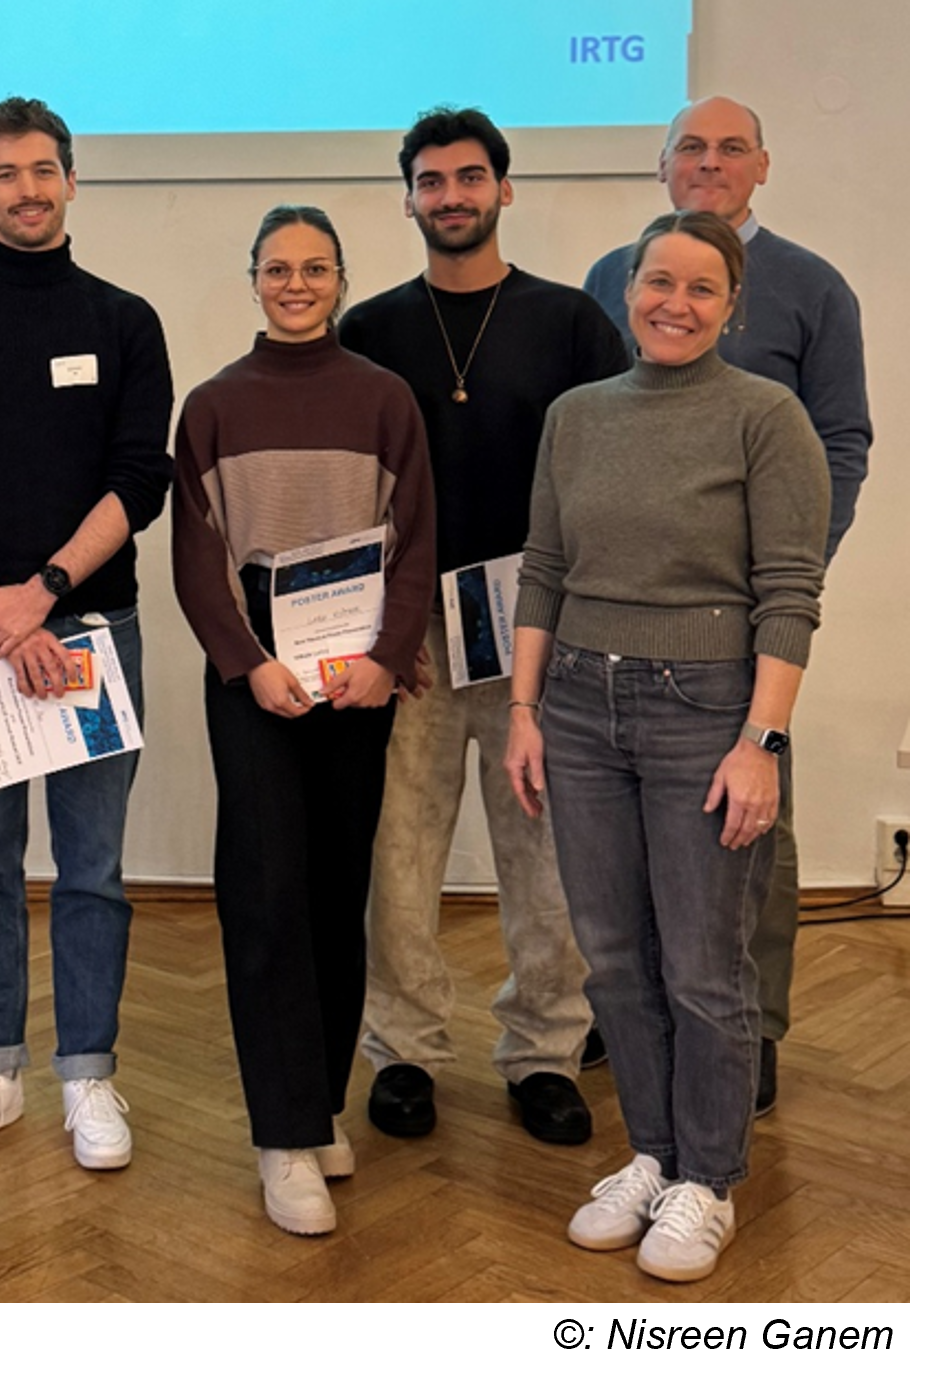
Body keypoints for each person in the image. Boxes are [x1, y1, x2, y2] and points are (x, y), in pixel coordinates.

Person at [506, 211, 827, 1283]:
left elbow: (789, 593)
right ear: (627, 290)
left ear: (731, 308)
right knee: (611, 958)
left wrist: (760, 742)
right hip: (576, 709)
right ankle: (650, 1154)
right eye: (657, 281)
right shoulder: (575, 416)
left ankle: (708, 1180)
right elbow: (543, 569)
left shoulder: (765, 417)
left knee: (701, 966)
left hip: (706, 714)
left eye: (700, 288)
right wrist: (522, 711)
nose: (673, 304)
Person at [0, 98, 173, 1172]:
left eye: (43, 169)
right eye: (5, 174)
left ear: (70, 179)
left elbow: (138, 480)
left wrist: (42, 593)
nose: (27, 190)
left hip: (90, 629)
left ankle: (87, 1075)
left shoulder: (124, 320)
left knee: (92, 865)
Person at [339, 108, 627, 1146]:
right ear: (408, 199)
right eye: (430, 180)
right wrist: (371, 636)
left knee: (545, 859)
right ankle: (404, 1050)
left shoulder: (570, 323)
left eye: (468, 177)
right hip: (406, 635)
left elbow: (605, 476)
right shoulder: (368, 329)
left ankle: (544, 1050)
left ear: (503, 188)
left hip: (533, 633)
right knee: (398, 855)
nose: (450, 196)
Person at [583, 97, 870, 1114]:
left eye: (730, 148)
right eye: (691, 148)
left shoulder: (812, 287)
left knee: (747, 821)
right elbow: (592, 432)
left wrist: (787, 573)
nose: (710, 163)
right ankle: (642, 1016)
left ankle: (749, 1029)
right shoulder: (608, 277)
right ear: (661, 165)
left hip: (745, 617)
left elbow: (842, 441)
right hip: (620, 623)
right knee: (628, 823)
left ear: (762, 166)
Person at [173, 205, 434, 1236]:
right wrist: (250, 666)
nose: (295, 284)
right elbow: (197, 562)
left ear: (339, 280)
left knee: (334, 890)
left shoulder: (384, 398)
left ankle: (319, 1103)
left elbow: (414, 539)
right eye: (276, 269)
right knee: (266, 894)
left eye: (314, 268)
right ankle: (279, 1137)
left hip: (354, 675)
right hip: (256, 677)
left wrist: (384, 659)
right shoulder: (212, 406)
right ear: (253, 279)